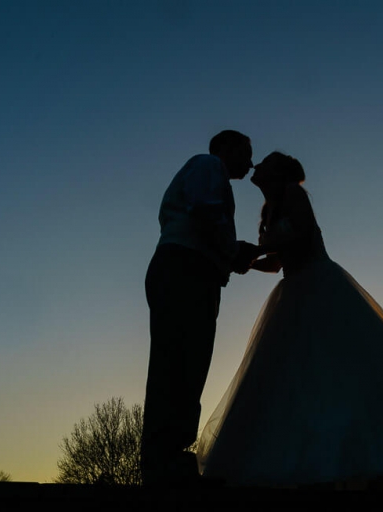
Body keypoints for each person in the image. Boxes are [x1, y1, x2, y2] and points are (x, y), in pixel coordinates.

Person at [196, 151, 383, 492]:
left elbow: (300, 233)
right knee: (294, 378)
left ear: (279, 173)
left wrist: (251, 250)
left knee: (344, 372)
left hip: (319, 286)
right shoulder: (269, 210)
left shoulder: (294, 194)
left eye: (266, 162)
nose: (257, 165)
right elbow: (277, 263)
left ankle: (377, 463)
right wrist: (247, 260)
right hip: (294, 289)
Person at [141, 130, 263, 487]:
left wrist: (230, 254)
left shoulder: (207, 172)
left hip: (191, 271)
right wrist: (233, 250)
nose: (250, 163)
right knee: (180, 361)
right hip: (185, 270)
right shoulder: (208, 165)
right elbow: (206, 211)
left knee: (185, 362)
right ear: (226, 147)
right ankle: (164, 457)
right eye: (246, 152)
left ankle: (169, 452)